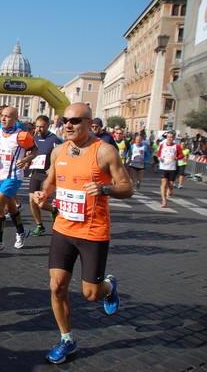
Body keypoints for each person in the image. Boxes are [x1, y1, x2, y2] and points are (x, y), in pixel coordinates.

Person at [32, 102, 133, 364]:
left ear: (90, 124)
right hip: (63, 228)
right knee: (56, 288)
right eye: (66, 120)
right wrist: (45, 193)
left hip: (93, 232)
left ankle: (109, 287)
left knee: (91, 294)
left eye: (76, 120)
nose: (69, 124)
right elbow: (51, 180)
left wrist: (105, 189)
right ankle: (67, 340)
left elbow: (127, 187)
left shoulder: (105, 152)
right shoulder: (58, 151)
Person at [0, 106, 38, 253]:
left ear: (15, 120)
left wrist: (26, 158)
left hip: (14, 176)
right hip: (0, 175)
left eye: (8, 116)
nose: (3, 118)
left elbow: (35, 150)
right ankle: (21, 231)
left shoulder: (22, 136)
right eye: (2, 116)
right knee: (9, 207)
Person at [28, 115, 62, 237]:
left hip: (47, 175)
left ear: (48, 126)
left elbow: (61, 156)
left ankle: (53, 210)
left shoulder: (54, 140)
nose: (39, 129)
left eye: (42, 127)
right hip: (36, 172)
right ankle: (39, 226)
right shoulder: (34, 138)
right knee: (32, 200)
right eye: (37, 126)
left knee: (41, 203)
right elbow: (30, 152)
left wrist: (53, 167)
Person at [157, 131, 183, 208]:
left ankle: (170, 190)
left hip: (172, 167)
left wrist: (176, 157)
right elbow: (159, 153)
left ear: (174, 138)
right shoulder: (162, 145)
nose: (169, 139)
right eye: (168, 137)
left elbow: (182, 155)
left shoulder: (177, 146)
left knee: (170, 184)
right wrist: (159, 157)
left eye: (171, 137)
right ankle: (164, 200)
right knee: (164, 183)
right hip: (164, 166)